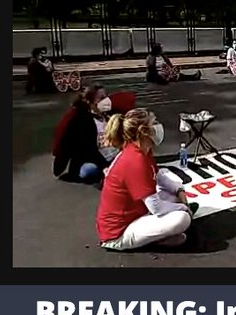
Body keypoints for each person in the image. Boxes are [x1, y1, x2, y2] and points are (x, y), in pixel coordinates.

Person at [96, 109, 197, 251]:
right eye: (154, 122)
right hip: (118, 233)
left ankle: (156, 235)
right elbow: (157, 208)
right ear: (144, 131)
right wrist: (184, 207)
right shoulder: (135, 160)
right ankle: (155, 239)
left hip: (136, 214)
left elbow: (158, 175)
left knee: (172, 196)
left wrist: (178, 188)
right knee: (182, 218)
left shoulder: (142, 150)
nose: (158, 125)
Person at [52, 84, 119, 184]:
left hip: (113, 156)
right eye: (101, 98)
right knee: (88, 171)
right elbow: (88, 151)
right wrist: (105, 166)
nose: (106, 100)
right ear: (90, 102)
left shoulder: (111, 116)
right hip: (93, 160)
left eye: (106, 96)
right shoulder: (82, 121)